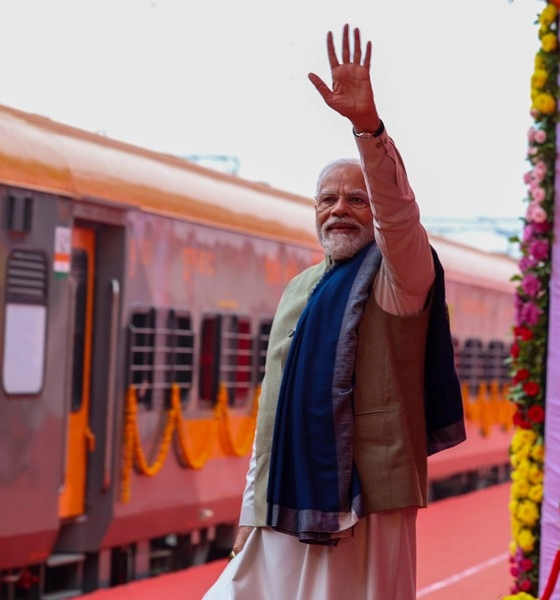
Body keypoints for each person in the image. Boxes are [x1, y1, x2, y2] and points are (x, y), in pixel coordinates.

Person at [202, 24, 465, 600]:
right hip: (286, 499)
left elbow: (399, 219)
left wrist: (367, 129)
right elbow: (271, 412)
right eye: (328, 199)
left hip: (367, 498)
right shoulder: (301, 290)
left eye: (356, 199)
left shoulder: (400, 277)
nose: (339, 210)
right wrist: (251, 507)